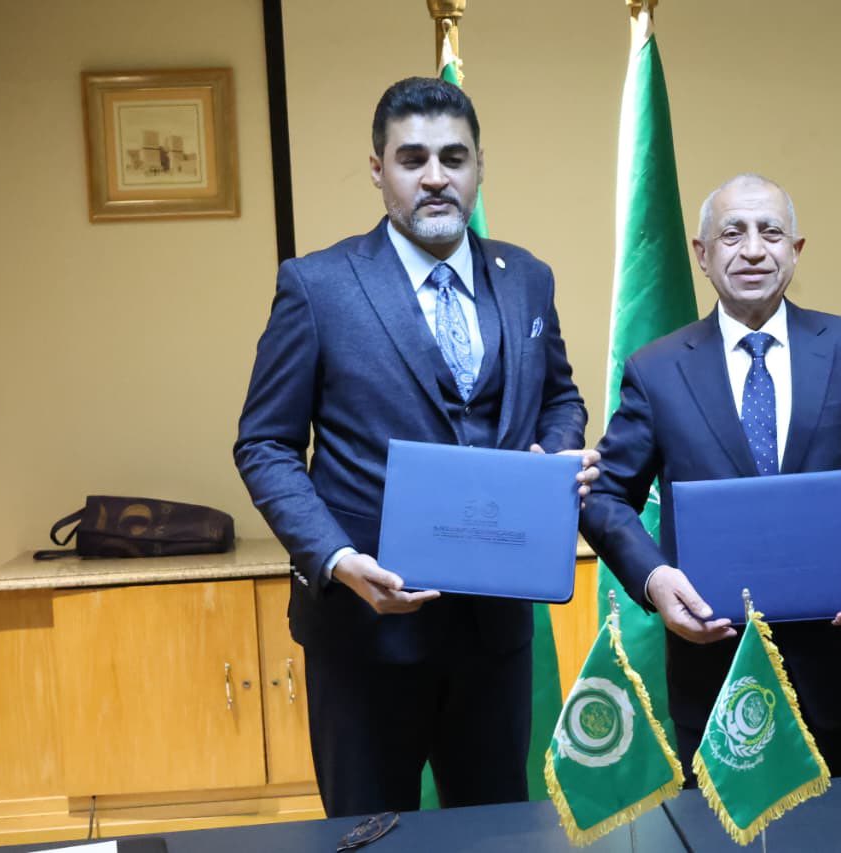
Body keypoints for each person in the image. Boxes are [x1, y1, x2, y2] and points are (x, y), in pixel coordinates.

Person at [235, 77, 595, 817]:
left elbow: (561, 398)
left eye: (454, 157)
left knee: (496, 831)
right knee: (373, 834)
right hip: (365, 631)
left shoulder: (527, 279)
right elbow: (265, 443)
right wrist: (336, 559)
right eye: (413, 158)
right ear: (378, 169)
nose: (435, 176)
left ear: (479, 167)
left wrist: (555, 453)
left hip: (495, 633)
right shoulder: (317, 286)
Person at [580, 173, 841, 778]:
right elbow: (604, 497)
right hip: (718, 680)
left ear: (795, 250)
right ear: (702, 254)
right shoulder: (657, 370)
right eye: (733, 234)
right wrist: (654, 579)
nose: (753, 249)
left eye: (770, 232)